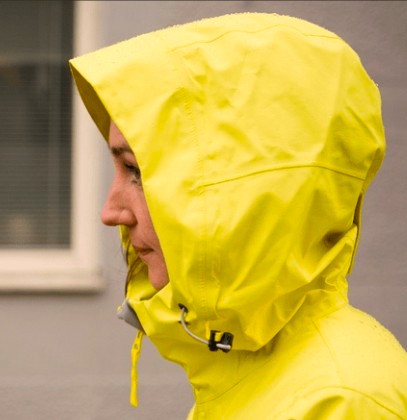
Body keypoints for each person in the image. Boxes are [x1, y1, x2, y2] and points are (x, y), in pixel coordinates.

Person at [69, 12, 407, 419]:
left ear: (247, 193)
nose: (110, 212)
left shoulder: (340, 399)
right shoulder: (244, 363)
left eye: (137, 172)